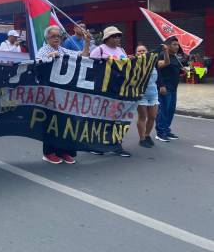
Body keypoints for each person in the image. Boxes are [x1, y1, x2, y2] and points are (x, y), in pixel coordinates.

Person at [36, 25, 90, 165]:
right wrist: (50, 57)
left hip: (65, 95)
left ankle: (65, 151)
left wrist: (88, 42)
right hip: (50, 94)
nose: (56, 39)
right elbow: (37, 65)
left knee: (66, 123)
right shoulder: (43, 51)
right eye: (53, 36)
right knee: (52, 124)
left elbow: (82, 55)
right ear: (47, 38)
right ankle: (49, 153)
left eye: (59, 36)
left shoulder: (62, 49)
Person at [89, 26, 131, 157]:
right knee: (100, 119)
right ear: (107, 38)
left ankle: (116, 145)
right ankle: (96, 144)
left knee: (117, 119)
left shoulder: (121, 50)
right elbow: (90, 68)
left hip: (118, 91)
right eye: (115, 36)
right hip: (102, 90)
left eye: (119, 36)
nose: (118, 38)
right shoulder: (99, 50)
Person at [136, 43, 170, 148]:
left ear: (147, 52)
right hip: (141, 94)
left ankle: (147, 135)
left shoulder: (153, 63)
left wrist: (165, 51)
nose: (141, 52)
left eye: (144, 51)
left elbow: (166, 62)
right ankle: (141, 138)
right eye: (139, 51)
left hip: (153, 94)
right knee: (142, 117)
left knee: (153, 117)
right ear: (136, 53)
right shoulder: (134, 63)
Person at [155, 38, 183, 142]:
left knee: (170, 110)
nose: (176, 46)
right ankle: (160, 132)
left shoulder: (175, 57)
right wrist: (161, 85)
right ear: (168, 45)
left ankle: (166, 130)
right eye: (174, 44)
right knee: (163, 110)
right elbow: (157, 71)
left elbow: (174, 69)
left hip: (173, 88)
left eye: (177, 45)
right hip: (165, 88)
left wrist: (182, 71)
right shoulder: (162, 55)